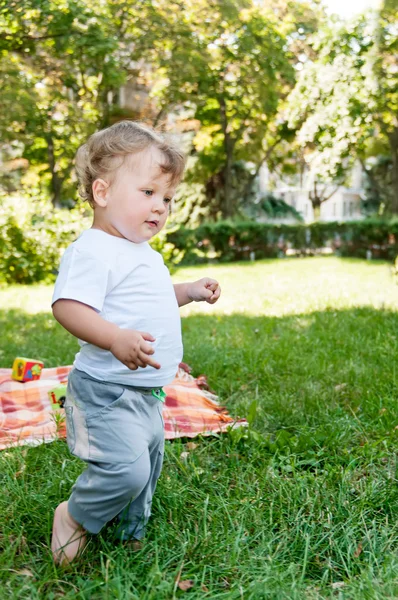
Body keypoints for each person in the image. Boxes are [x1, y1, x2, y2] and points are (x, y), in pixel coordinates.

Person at [51, 120, 221, 565]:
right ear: (103, 193)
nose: (160, 207)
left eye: (167, 198)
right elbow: (68, 307)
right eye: (148, 193)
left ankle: (130, 535)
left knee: (146, 466)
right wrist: (114, 339)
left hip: (146, 392)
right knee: (125, 469)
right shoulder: (91, 250)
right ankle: (74, 517)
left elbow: (151, 299)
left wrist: (188, 291)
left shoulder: (143, 253)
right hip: (106, 390)